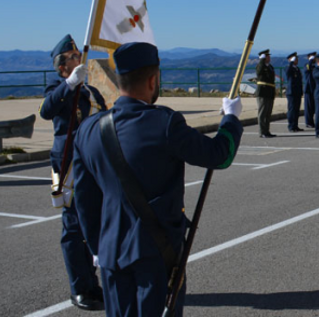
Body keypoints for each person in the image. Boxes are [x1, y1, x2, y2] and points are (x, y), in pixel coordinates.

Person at [72, 42, 243, 317]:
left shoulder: (88, 130)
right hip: (156, 256)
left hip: (111, 255)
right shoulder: (164, 123)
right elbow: (219, 156)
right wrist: (231, 119)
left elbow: (84, 201)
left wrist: (98, 249)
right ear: (153, 80)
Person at [39, 34, 107, 311]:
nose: (80, 61)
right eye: (74, 58)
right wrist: (69, 84)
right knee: (74, 228)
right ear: (62, 66)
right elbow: (46, 110)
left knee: (92, 224)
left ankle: (93, 284)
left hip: (94, 164)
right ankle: (80, 287)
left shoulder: (91, 92)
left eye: (79, 56)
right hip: (69, 166)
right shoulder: (58, 87)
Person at [254, 49, 276, 138]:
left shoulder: (270, 67)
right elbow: (259, 72)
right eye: (267, 56)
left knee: (268, 113)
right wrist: (261, 60)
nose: (269, 57)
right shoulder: (260, 65)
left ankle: (267, 131)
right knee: (262, 113)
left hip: (269, 92)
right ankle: (262, 131)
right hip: (262, 92)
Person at [284, 52, 303, 132]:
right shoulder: (288, 67)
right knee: (292, 109)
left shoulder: (297, 68)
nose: (296, 60)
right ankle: (291, 126)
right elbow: (287, 73)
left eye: (297, 59)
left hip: (297, 91)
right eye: (295, 59)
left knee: (296, 109)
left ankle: (295, 125)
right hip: (291, 92)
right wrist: (291, 62)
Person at [303, 52, 317, 129]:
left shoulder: (314, 66)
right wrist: (311, 60)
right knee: (308, 107)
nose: (314, 58)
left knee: (312, 107)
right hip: (308, 89)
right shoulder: (307, 65)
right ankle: (308, 122)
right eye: (313, 57)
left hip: (314, 88)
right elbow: (308, 68)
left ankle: (311, 121)